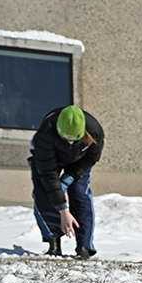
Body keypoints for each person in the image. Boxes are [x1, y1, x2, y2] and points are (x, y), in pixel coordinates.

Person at [29, 105, 101, 258]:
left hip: (79, 163)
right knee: (44, 192)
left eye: (74, 139)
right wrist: (63, 209)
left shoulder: (94, 130)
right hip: (48, 161)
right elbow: (48, 174)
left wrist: (68, 178)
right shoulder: (45, 134)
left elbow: (92, 158)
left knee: (80, 194)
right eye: (66, 139)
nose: (70, 143)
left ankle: (84, 246)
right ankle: (53, 239)